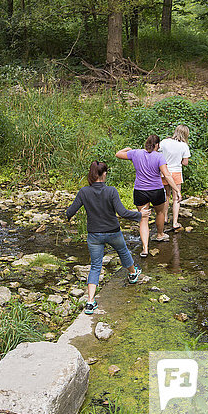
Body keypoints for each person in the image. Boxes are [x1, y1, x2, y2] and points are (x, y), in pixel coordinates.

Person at [66, 161, 150, 315]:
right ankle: (132, 274)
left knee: (96, 266)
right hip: (113, 232)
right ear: (103, 174)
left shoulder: (84, 192)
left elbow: (70, 211)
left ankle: (90, 302)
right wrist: (140, 215)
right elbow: (122, 213)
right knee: (123, 252)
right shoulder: (111, 191)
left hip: (94, 235)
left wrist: (68, 216)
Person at [115, 135, 182, 258]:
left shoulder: (135, 153)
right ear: (157, 145)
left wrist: (127, 148)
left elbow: (118, 154)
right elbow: (167, 175)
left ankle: (145, 248)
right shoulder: (159, 156)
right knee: (160, 213)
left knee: (143, 218)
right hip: (156, 190)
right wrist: (176, 190)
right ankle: (160, 234)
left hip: (140, 191)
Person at [159, 125, 191, 231]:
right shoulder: (184, 146)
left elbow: (158, 154)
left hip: (165, 171)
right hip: (176, 172)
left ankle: (165, 218)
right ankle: (175, 222)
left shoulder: (164, 142)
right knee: (176, 197)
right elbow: (185, 163)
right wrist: (179, 161)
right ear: (186, 134)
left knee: (166, 196)